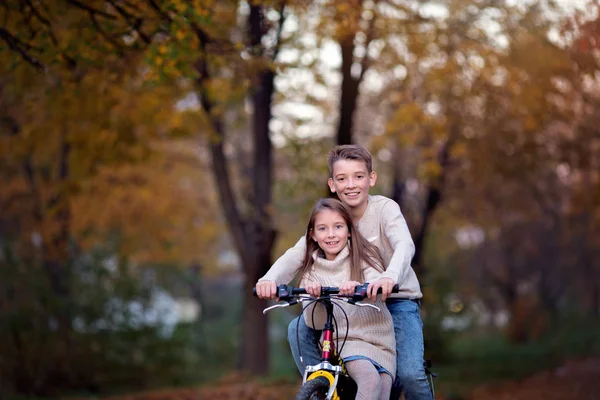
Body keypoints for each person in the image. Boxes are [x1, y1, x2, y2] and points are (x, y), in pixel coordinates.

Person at [256, 144, 432, 400]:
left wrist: (388, 277)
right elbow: (297, 253)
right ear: (332, 184)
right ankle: (323, 388)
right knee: (298, 328)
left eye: (358, 176)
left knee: (410, 374)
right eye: (342, 178)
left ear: (371, 179)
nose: (351, 185)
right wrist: (269, 280)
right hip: (349, 304)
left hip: (396, 299)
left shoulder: (384, 209)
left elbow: (404, 244)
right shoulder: (331, 217)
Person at [297, 197, 396, 400]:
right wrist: (313, 297)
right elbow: (313, 322)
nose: (331, 234)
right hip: (346, 340)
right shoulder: (311, 273)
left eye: (338, 227)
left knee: (383, 392)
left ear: (349, 230)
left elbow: (378, 280)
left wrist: (361, 287)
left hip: (380, 341)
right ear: (313, 235)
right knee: (370, 381)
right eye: (322, 229)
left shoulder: (365, 258)